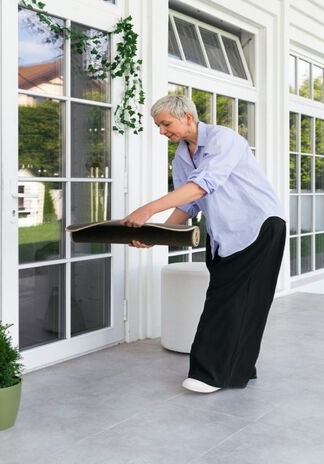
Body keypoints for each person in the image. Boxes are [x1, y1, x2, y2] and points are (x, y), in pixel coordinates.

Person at [121, 95, 286, 394]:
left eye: (165, 124)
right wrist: (156, 234)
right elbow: (190, 204)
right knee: (235, 302)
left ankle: (210, 374)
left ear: (186, 116)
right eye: (158, 126)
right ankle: (241, 367)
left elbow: (202, 185)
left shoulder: (225, 140)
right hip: (226, 235)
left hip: (259, 227)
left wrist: (148, 209)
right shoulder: (182, 157)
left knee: (233, 303)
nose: (161, 131)